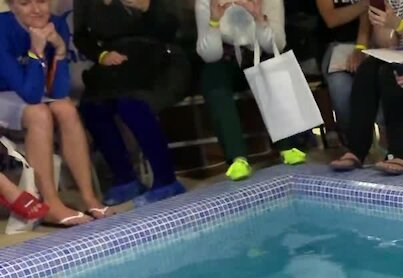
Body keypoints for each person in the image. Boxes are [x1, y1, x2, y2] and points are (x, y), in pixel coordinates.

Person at [0, 0, 110, 226]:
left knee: (66, 109)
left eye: (41, 0)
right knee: (38, 112)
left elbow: (58, 91)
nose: (36, 9)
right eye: (25, 3)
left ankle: (89, 197)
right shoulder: (1, 30)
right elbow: (30, 94)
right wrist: (36, 51)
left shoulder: (57, 25)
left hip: (27, 93)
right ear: (12, 7)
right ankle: (51, 203)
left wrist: (59, 51)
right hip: (4, 94)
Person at [75, 0, 190, 207]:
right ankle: (125, 179)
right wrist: (102, 55)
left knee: (132, 103)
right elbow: (81, 36)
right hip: (116, 62)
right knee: (92, 107)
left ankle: (166, 180)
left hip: (161, 57)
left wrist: (147, 7)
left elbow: (177, 27)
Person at [195, 0, 311, 181]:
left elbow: (277, 44)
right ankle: (237, 158)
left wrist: (259, 18)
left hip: (259, 54)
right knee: (212, 78)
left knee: (273, 64)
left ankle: (288, 146)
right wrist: (214, 21)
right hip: (225, 59)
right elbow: (209, 55)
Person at [328, 0, 403, 173]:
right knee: (367, 69)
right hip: (397, 56)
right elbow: (381, 40)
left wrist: (398, 24)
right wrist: (389, 34)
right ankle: (356, 151)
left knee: (390, 75)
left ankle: (402, 155)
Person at [315, 0, 368, 144]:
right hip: (335, 46)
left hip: (367, 43)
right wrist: (364, 5)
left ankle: (386, 142)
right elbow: (331, 19)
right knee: (340, 86)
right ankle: (353, 140)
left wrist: (361, 47)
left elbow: (368, 15)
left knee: (380, 79)